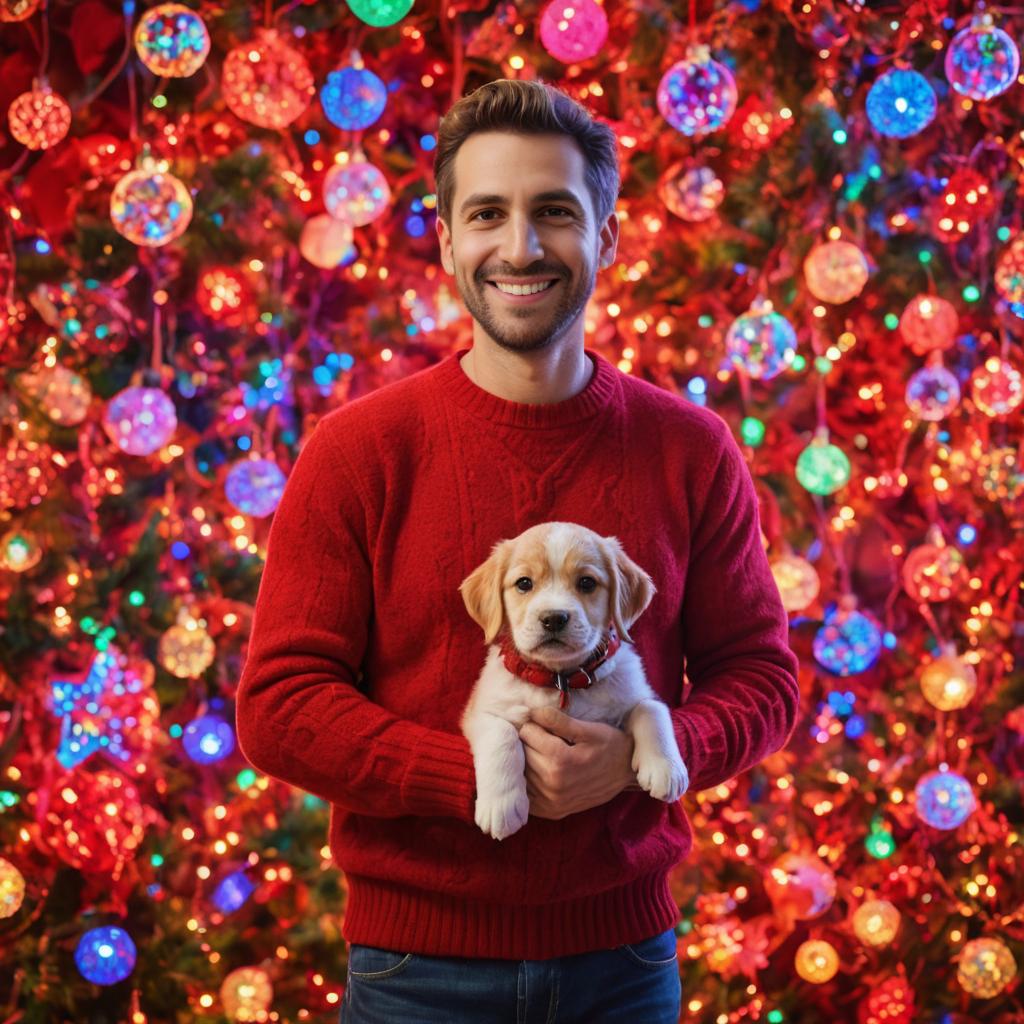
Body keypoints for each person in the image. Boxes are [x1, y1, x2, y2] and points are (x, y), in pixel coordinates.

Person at [235, 78, 800, 1023]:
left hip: (624, 964)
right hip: (414, 972)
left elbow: (764, 679)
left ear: (607, 237)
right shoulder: (359, 450)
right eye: (488, 213)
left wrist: (634, 759)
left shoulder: (691, 449)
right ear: (450, 241)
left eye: (555, 213)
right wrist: (477, 774)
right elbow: (281, 708)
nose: (522, 247)